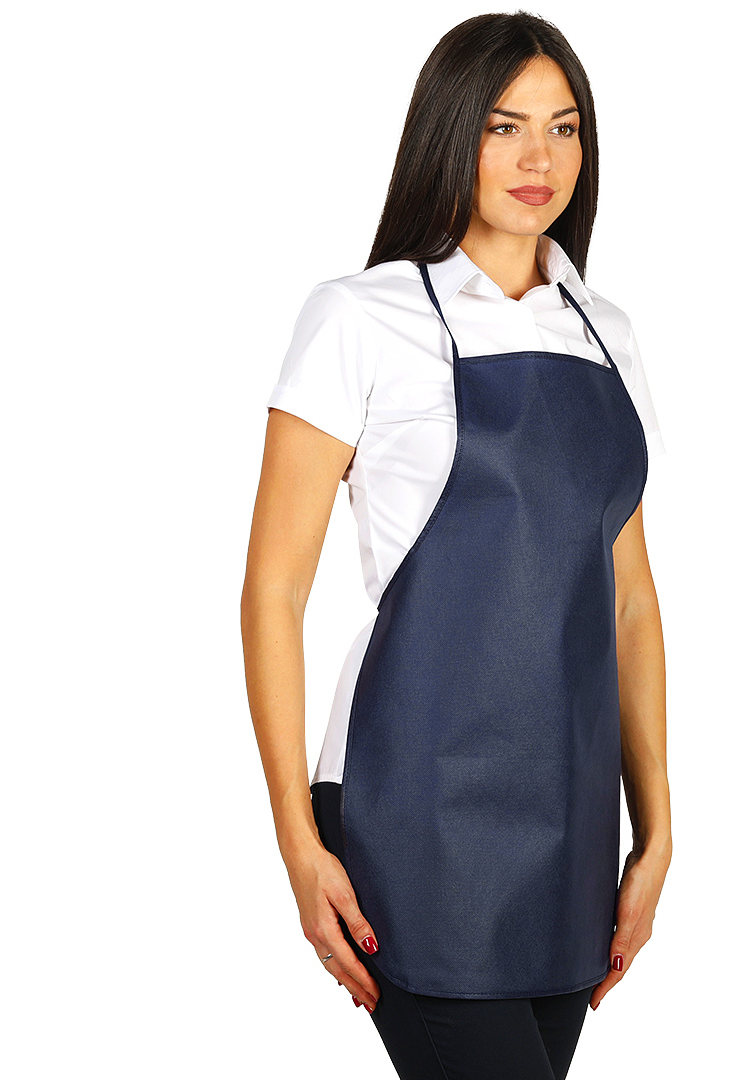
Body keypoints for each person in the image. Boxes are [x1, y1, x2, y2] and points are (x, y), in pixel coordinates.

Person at [241, 11, 672, 1078]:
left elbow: (628, 598)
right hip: (411, 805)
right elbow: (273, 591)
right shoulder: (359, 318)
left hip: (569, 813)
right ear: (449, 133)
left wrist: (656, 825)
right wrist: (297, 840)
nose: (539, 159)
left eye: (564, 128)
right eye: (503, 127)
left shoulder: (606, 333)